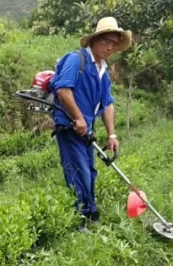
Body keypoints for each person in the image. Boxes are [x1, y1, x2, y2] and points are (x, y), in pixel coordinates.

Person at [50, 17, 132, 227]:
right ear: (95, 40)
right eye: (107, 41)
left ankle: (91, 211)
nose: (110, 47)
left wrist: (112, 134)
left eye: (114, 44)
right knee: (79, 173)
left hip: (86, 129)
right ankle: (79, 220)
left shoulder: (103, 72)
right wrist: (78, 117)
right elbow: (63, 89)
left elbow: (108, 104)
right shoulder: (76, 60)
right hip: (70, 127)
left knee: (90, 172)